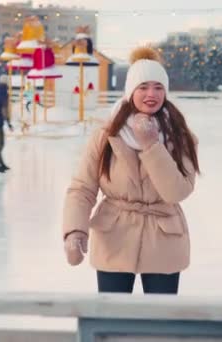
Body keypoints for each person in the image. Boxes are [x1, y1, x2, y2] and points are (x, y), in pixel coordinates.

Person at [62, 46, 200, 295]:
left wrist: (152, 146)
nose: (151, 94)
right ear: (130, 91)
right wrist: (74, 230)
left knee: (158, 322)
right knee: (112, 319)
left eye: (158, 87)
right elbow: (82, 188)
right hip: (114, 235)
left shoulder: (181, 137)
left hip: (163, 239)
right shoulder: (105, 136)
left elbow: (177, 192)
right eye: (143, 87)